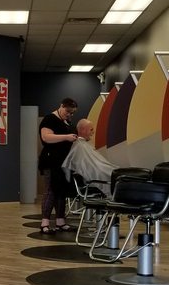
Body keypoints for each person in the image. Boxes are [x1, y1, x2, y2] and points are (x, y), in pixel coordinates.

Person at [38, 98, 78, 234]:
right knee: (50, 190)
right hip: (51, 160)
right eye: (68, 112)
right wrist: (66, 137)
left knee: (61, 191)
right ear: (61, 106)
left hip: (63, 161)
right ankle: (44, 223)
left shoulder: (66, 121)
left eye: (72, 113)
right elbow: (46, 137)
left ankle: (60, 221)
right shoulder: (49, 119)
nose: (69, 115)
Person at [62, 118, 117, 195]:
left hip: (99, 172)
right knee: (120, 177)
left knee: (120, 174)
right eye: (91, 130)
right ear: (82, 130)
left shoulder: (82, 144)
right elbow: (90, 168)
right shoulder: (79, 146)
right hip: (91, 180)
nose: (93, 132)